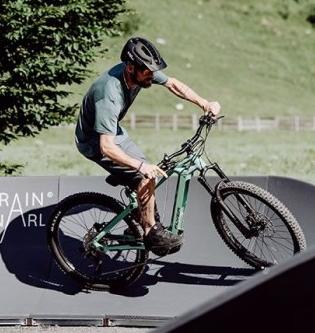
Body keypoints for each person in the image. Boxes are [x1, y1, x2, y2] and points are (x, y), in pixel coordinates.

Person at [75, 36, 221, 256]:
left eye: (153, 71)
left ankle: (137, 211)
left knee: (147, 173)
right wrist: (140, 167)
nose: (151, 76)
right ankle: (151, 231)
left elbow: (173, 84)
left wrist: (205, 103)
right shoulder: (109, 93)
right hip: (94, 141)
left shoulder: (143, 71)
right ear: (130, 68)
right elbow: (106, 147)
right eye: (147, 71)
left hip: (114, 132)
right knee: (146, 175)